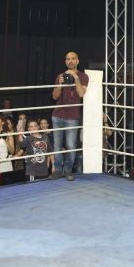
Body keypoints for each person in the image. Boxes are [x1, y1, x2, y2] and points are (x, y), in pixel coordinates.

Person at [49, 51, 89, 181]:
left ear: (77, 61)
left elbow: (81, 93)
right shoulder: (60, 76)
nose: (70, 61)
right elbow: (54, 96)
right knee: (57, 145)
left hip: (72, 116)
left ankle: (68, 170)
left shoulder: (83, 76)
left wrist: (75, 77)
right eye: (68, 59)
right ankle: (58, 170)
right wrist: (60, 84)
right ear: (65, 62)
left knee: (71, 145)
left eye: (73, 59)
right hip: (57, 115)